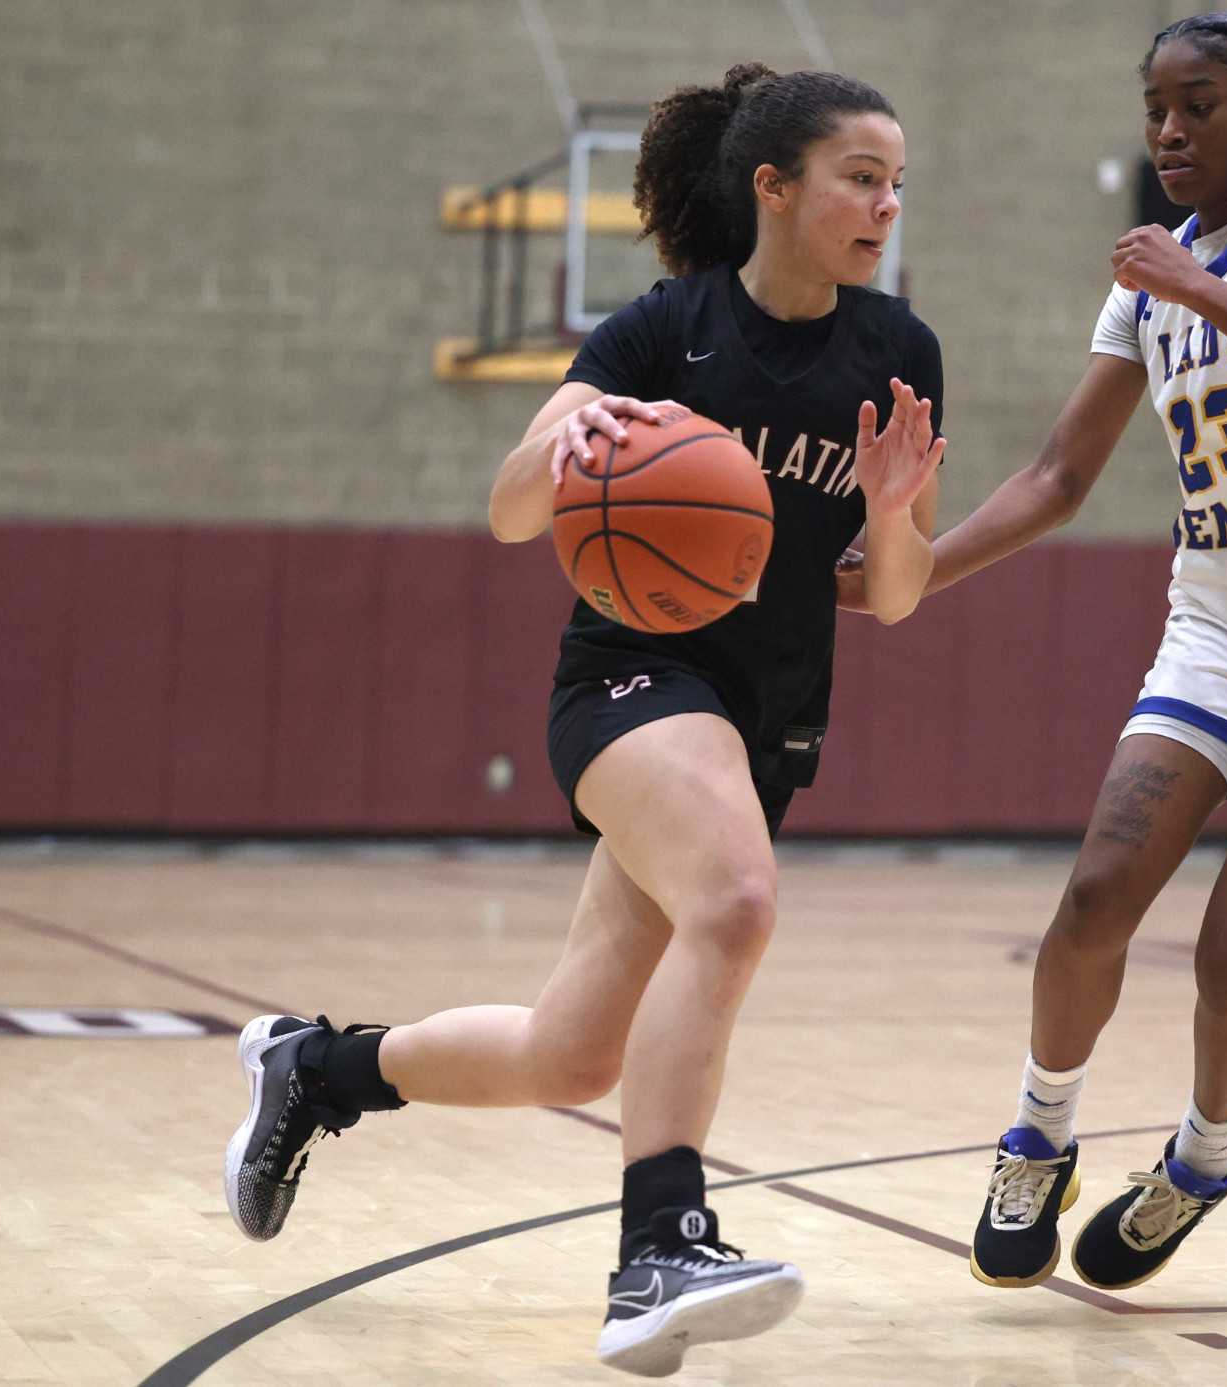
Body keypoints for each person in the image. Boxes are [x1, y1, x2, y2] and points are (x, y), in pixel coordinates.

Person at [220, 63, 945, 1377]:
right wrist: (563, 446)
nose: (887, 205)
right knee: (736, 899)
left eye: (898, 183)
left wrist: (894, 510)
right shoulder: (663, 331)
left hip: (770, 716)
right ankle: (658, 1245)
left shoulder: (898, 354)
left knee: (570, 1050)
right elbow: (506, 512)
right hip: (632, 687)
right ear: (773, 186)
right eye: (861, 177)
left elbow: (891, 597)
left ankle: (318, 1069)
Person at [844, 12, 1227, 1292]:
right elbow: (1061, 473)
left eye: (1202, 105)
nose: (1171, 132)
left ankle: (1203, 1157)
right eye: (1156, 111)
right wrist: (907, 577)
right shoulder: (1153, 274)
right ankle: (1039, 1134)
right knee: (1093, 898)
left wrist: (1197, 286)